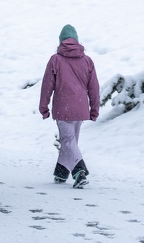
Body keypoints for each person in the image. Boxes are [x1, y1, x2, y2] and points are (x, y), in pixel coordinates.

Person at [38, 24, 100, 189]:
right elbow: (94, 87)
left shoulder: (56, 60)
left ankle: (80, 172)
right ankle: (61, 172)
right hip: (80, 109)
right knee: (70, 142)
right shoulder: (87, 61)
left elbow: (47, 85)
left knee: (68, 142)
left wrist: (44, 106)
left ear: (61, 42)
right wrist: (94, 109)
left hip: (63, 107)